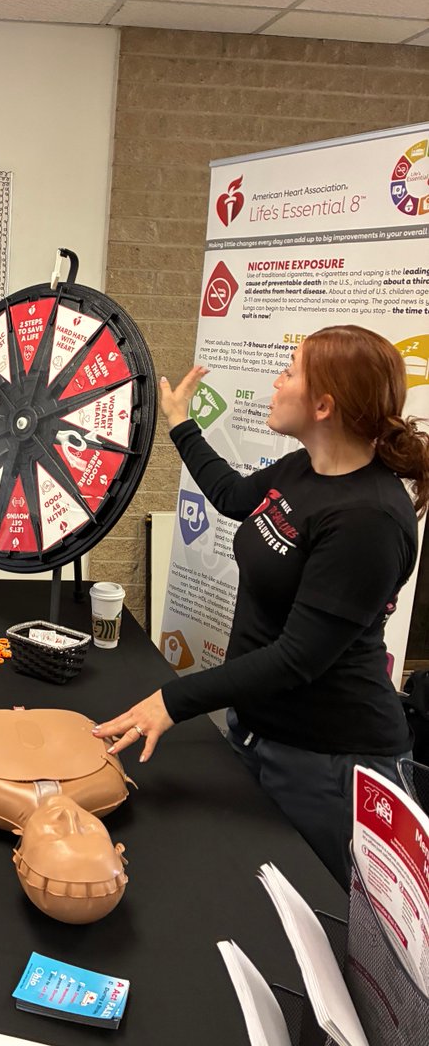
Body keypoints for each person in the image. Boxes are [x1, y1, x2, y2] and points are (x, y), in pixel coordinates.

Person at [93, 325, 429, 886]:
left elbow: (297, 658)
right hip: (260, 728)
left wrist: (171, 702)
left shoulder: (368, 519)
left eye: (290, 371)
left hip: (328, 759)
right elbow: (232, 497)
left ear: (324, 405)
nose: (276, 383)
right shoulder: (305, 469)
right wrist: (180, 421)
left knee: (321, 918)